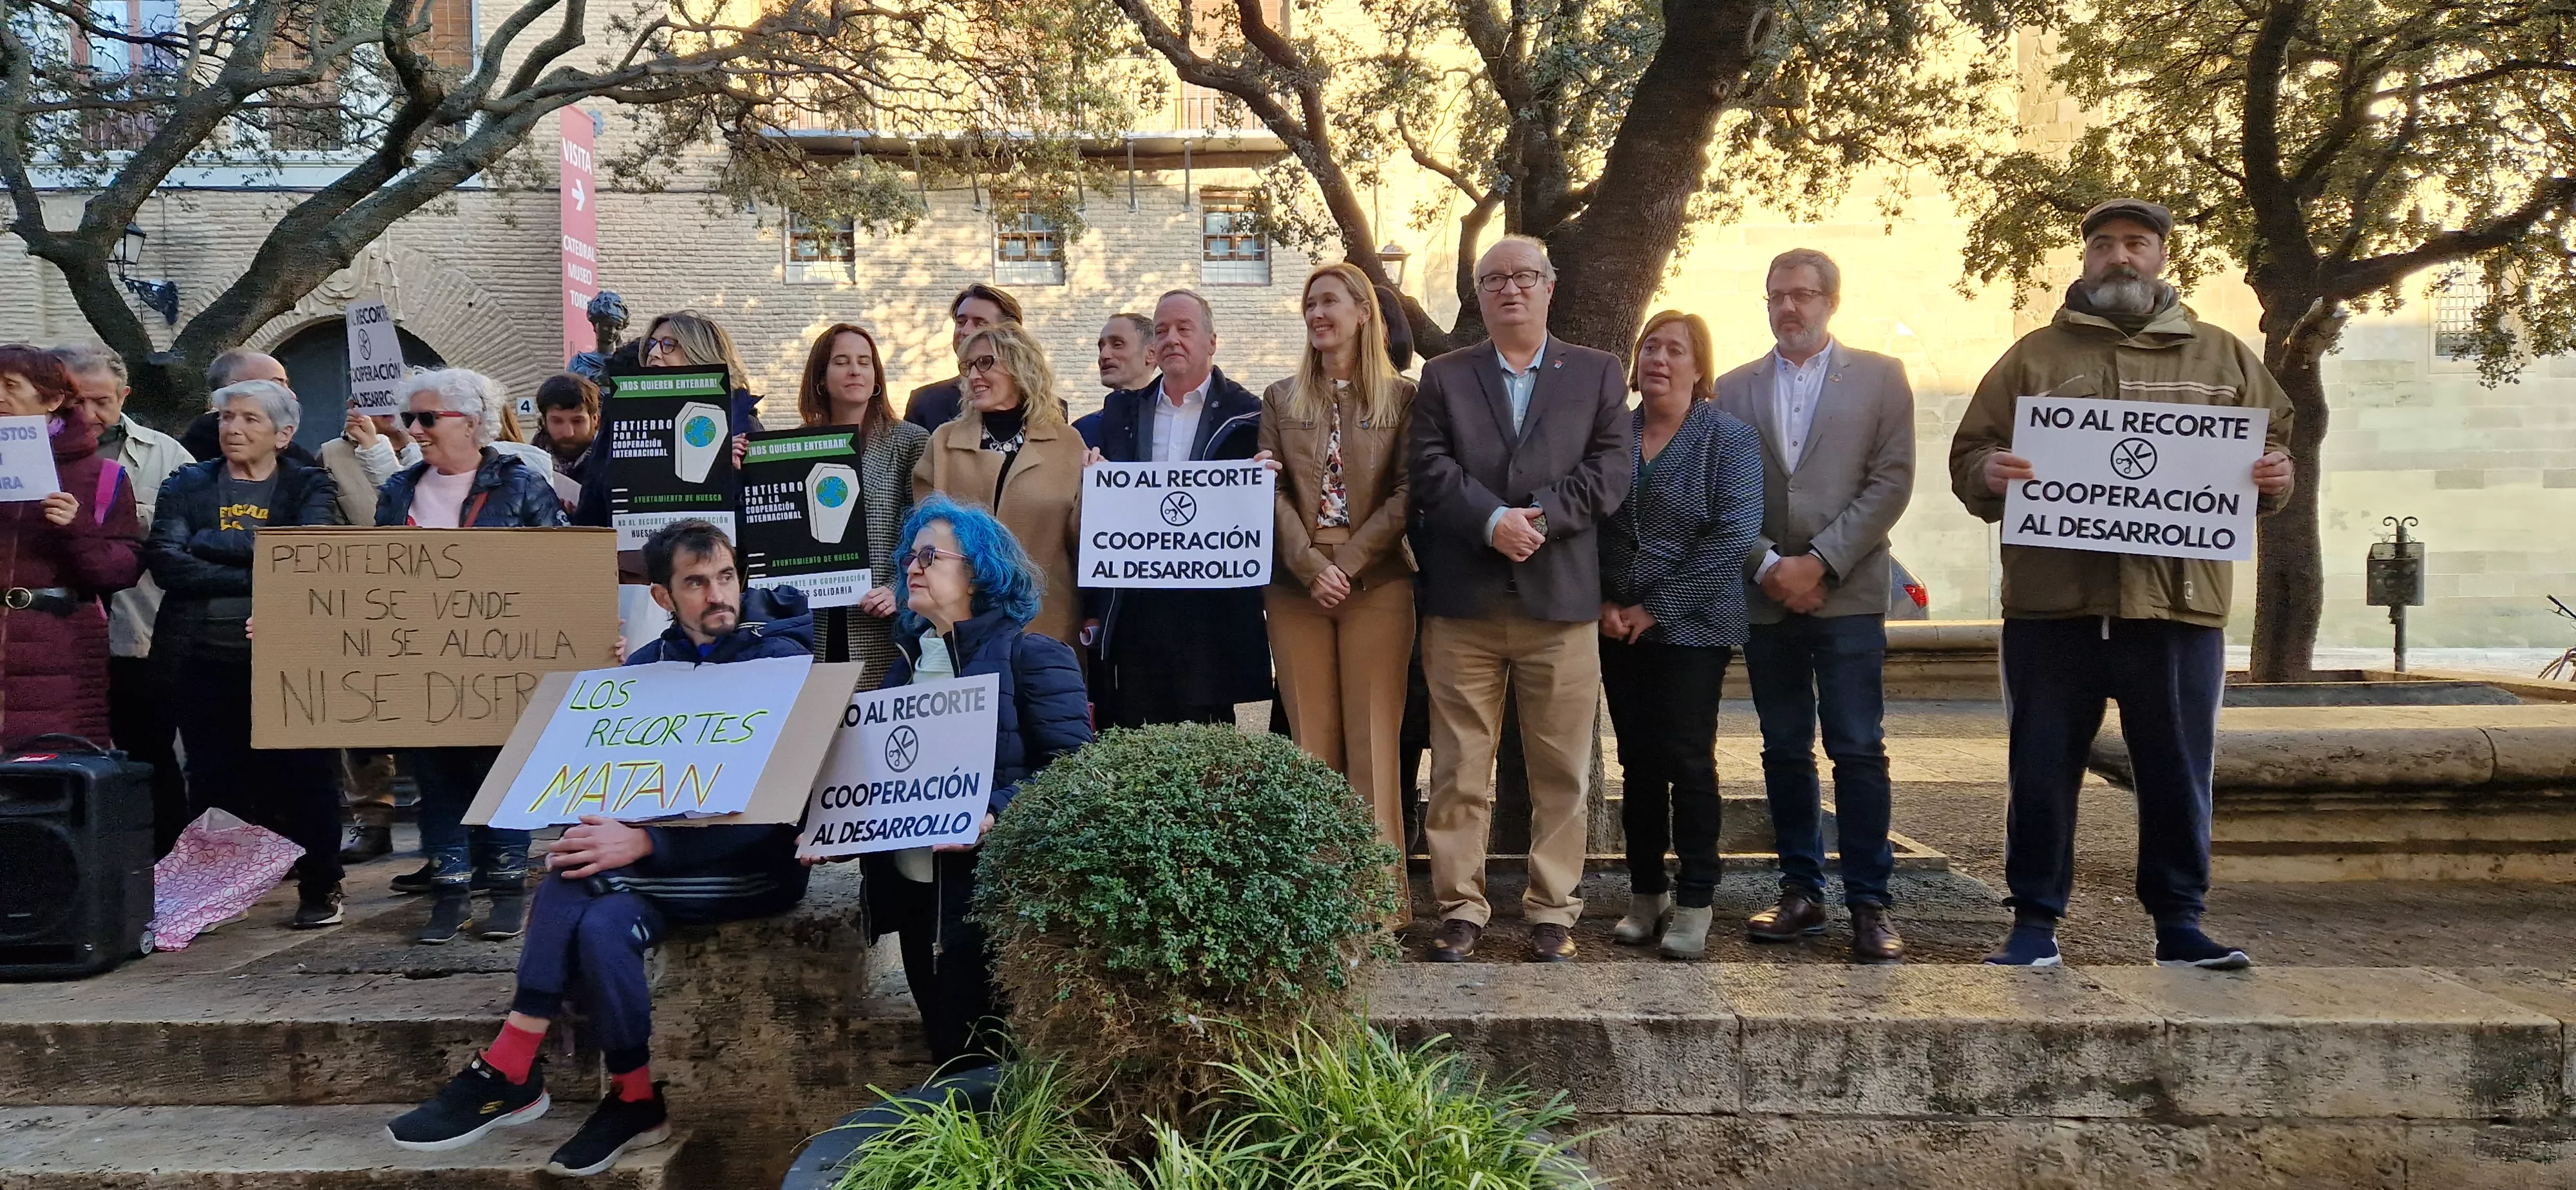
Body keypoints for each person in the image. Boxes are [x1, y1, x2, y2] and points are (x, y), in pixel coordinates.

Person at [388, 520, 813, 1178]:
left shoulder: (780, 664)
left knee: (575, 879)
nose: (717, 594)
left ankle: (511, 1060)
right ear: (664, 598)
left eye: (725, 577)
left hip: (753, 870)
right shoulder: (641, 673)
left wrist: (642, 842)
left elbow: (773, 814)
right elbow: (609, 785)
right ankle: (635, 1096)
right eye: (696, 583)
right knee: (601, 917)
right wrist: (598, 812)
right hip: (647, 873)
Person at [1951, 198, 2294, 970]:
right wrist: (1987, 471)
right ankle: (2034, 925)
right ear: (2084, 261)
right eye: (2102, 244)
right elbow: (1970, 454)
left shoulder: (2224, 358)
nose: (2118, 257)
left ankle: (2179, 925)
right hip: (2053, 606)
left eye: (2135, 244)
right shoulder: (2032, 359)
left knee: (2175, 772)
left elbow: (2272, 448)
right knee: (2038, 769)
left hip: (2176, 607)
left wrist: (2276, 474)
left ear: (2162, 258)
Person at [1408, 236, 1631, 963]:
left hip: (1559, 603)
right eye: (1495, 278)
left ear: (1548, 287)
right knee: (1458, 769)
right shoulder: (1443, 375)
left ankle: (1552, 910)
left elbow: (1610, 470)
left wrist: (1535, 516)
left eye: (1524, 276)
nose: (1510, 288)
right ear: (1478, 294)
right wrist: (1489, 521)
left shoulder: (1598, 372)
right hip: (1464, 605)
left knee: (1561, 769)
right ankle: (1460, 908)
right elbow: (1431, 469)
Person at [1711, 249, 1918, 964]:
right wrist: (1769, 564)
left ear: (1831, 300)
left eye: (1802, 295)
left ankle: (1870, 904)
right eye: (1777, 296)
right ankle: (1800, 891)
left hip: (1849, 593)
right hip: (1765, 596)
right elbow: (1723, 495)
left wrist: (1820, 561)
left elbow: (1890, 482)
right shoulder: (1732, 389)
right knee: (1782, 748)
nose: (1788, 308)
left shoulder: (1883, 378)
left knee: (1858, 748)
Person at [858, 495, 1091, 1065]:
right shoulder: (905, 663)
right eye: (910, 557)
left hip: (984, 901)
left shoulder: (1032, 656)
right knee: (944, 1046)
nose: (912, 567)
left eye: (931, 555)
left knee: (984, 1061)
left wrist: (992, 813)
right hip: (914, 894)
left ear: (979, 572)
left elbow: (1076, 772)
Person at [378, 367, 569, 944]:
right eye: (412, 419)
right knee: (437, 782)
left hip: (502, 665)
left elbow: (563, 572)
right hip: (421, 663)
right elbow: (365, 583)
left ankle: (509, 891)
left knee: (502, 775)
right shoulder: (398, 490)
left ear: (473, 423)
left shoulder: (520, 485)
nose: (415, 430)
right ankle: (449, 891)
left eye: (428, 418)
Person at [146, 378, 343, 925]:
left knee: (306, 775)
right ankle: (216, 895)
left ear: (283, 434)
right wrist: (263, 560)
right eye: (226, 417)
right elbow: (167, 563)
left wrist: (208, 542)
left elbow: (309, 558)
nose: (232, 428)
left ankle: (321, 885)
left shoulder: (308, 485)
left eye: (249, 419)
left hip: (289, 661)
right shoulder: (187, 482)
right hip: (202, 658)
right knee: (213, 783)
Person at [1598, 311, 1763, 959]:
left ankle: (1696, 898)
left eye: (1675, 350)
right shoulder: (1611, 435)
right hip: (1617, 625)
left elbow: (1733, 536)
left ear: (1699, 368)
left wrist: (1657, 608)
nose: (1658, 360)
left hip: (1693, 626)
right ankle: (1646, 894)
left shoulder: (1730, 439)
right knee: (1635, 763)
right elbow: (1583, 518)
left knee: (1688, 761)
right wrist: (1603, 602)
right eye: (1649, 347)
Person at [1260, 265, 1418, 925]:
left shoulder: (1403, 401)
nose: (1315, 312)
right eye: (1309, 302)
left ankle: (1377, 906)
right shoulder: (1279, 397)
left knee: (1373, 740)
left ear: (1362, 311)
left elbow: (1410, 493)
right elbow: (1264, 490)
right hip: (1296, 585)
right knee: (1311, 744)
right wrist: (1307, 563)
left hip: (1376, 579)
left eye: (1328, 300)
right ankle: (1317, 901)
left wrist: (1347, 564)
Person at [1086, 289, 1273, 728]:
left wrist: (1262, 479)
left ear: (1212, 341)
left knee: (1208, 746)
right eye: (1163, 330)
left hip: (1211, 621)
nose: (1172, 338)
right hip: (1136, 612)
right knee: (1133, 740)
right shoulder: (1122, 414)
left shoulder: (1250, 417)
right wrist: (1097, 479)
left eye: (1184, 328)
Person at [50, 343, 193, 855]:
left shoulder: (163, 453)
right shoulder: (30, 450)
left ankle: (166, 861)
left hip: (138, 633)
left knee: (150, 751)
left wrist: (117, 521)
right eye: (74, 402)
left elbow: (190, 530)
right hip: (57, 634)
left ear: (124, 395)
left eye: (101, 401)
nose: (87, 415)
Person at [911, 323, 1086, 646]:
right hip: (958, 624)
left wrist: (1098, 493)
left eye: (985, 363)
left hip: (1047, 624)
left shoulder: (1068, 443)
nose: (973, 376)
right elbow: (924, 537)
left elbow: (1081, 542)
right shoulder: (945, 442)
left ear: (1020, 366)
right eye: (968, 366)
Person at [792, 323, 930, 677]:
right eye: (841, 361)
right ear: (821, 378)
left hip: (879, 620)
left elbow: (926, 533)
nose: (855, 370)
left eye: (864, 362)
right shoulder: (793, 449)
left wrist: (898, 590)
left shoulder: (909, 442)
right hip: (813, 624)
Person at [903, 284, 1022, 429]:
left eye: (980, 324)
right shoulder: (926, 403)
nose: (965, 331)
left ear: (1010, 334)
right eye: (961, 322)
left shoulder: (1050, 411)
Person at [179, 349, 316, 464]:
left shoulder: (302, 466)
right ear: (233, 389)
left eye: (286, 384)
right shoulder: (181, 463)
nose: (291, 395)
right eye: (276, 384)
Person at [532, 373, 601, 482]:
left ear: (595, 419)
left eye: (577, 421)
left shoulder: (614, 463)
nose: (568, 433)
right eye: (557, 421)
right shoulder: (528, 466)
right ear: (544, 421)